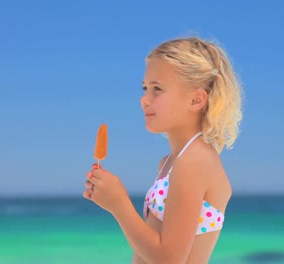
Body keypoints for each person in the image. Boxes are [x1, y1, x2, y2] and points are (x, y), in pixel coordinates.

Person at [83, 36, 243, 263]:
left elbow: (169, 259)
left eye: (157, 89)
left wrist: (118, 204)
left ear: (196, 101)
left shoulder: (194, 161)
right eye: (144, 88)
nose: (144, 100)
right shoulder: (170, 162)